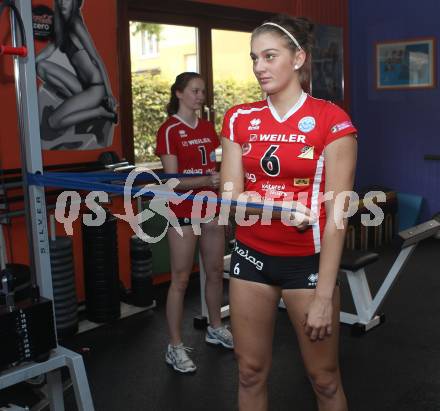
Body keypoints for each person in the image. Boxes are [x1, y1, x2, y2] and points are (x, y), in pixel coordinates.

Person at [220, 14, 357, 411]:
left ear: (298, 58)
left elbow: (336, 216)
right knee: (249, 372)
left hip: (308, 264)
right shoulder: (239, 118)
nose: (259, 67)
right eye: (253, 58)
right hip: (251, 257)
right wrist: (281, 209)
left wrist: (323, 295)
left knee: (325, 380)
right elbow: (231, 199)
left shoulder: (333, 121)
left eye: (269, 56)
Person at [155, 72, 233, 374]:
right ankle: (174, 346)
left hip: (210, 205)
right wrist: (206, 179)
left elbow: (213, 167)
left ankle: (215, 327)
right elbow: (172, 181)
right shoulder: (169, 129)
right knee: (181, 279)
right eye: (195, 91)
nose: (201, 96)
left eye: (203, 91)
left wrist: (217, 185)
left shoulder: (206, 127)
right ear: (179, 93)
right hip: (182, 209)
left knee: (214, 271)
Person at [36, 0, 117, 140]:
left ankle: (100, 112)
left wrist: (109, 93)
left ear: (74, 3)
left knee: (53, 122)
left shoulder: (76, 24)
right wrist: (25, 64)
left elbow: (97, 58)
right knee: (41, 66)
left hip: (95, 88)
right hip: (83, 87)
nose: (62, 2)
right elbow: (47, 51)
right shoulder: (62, 28)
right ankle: (81, 105)